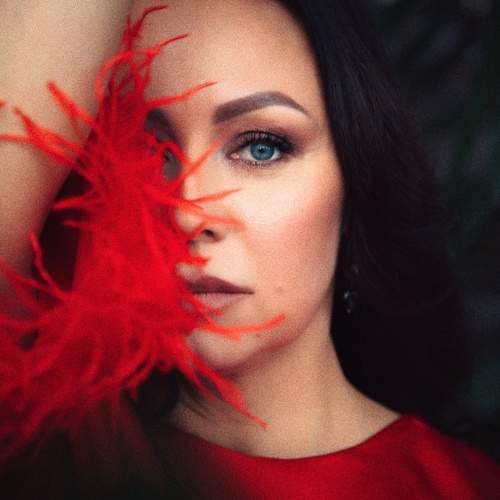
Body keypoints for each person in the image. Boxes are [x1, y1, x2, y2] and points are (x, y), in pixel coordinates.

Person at [1, 1, 499, 499]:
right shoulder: (42, 455)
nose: (188, 213)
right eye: (146, 151)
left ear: (354, 187)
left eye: (262, 147)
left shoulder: (465, 488)